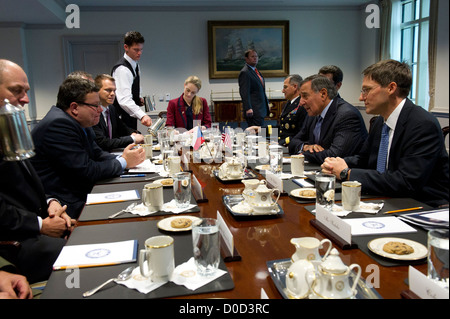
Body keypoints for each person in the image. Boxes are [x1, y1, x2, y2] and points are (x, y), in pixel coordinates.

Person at [322, 59, 449, 207]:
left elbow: (406, 182)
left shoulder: (422, 124)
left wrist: (347, 173)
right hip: (385, 196)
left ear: (391, 88)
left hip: (422, 205)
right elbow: (364, 160)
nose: (361, 97)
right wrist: (337, 164)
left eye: (366, 90)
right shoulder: (379, 122)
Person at [30, 77, 145, 219]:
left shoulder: (78, 122)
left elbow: (97, 153)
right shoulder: (59, 124)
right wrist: (124, 162)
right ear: (74, 108)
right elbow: (86, 170)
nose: (99, 110)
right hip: (63, 205)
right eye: (95, 105)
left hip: (79, 192)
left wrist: (123, 158)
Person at [0, 59, 73, 284]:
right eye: (16, 91)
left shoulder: (9, 129)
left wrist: (51, 203)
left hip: (33, 221)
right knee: (73, 254)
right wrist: (41, 224)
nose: (26, 99)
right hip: (13, 240)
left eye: (26, 91)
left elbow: (29, 183)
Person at [288, 74, 368, 164]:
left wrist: (304, 154)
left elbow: (335, 155)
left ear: (323, 94)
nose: (301, 102)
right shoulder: (313, 114)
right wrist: (305, 147)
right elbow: (293, 142)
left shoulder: (347, 115)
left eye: (305, 96)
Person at [93, 74, 144, 151]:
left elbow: (123, 128)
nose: (113, 94)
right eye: (108, 90)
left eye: (114, 90)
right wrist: (132, 138)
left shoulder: (111, 108)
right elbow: (102, 142)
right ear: (97, 91)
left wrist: (133, 133)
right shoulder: (92, 112)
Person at [112, 31, 152, 130]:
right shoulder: (122, 69)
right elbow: (124, 100)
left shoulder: (136, 65)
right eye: (136, 50)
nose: (139, 53)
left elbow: (135, 86)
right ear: (126, 47)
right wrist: (142, 115)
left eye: (141, 49)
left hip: (129, 117)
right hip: (121, 118)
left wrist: (137, 97)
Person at [239, 49, 269, 127]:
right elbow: (244, 92)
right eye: (252, 56)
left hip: (260, 109)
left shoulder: (256, 71)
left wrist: (267, 103)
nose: (255, 58)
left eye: (256, 56)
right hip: (254, 110)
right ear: (246, 59)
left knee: (260, 131)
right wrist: (248, 108)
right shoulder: (245, 72)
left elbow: (261, 90)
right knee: (256, 134)